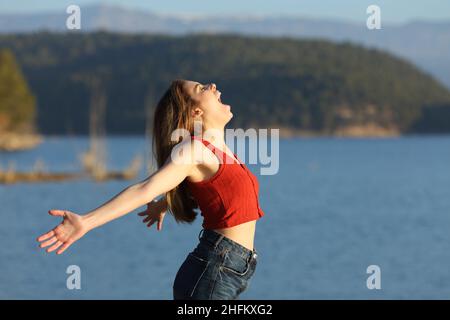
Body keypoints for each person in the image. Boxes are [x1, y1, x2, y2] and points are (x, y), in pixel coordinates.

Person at [36, 79, 265, 300]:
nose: (212, 85)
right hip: (215, 271)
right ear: (195, 112)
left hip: (231, 270)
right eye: (201, 88)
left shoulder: (219, 149)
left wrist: (166, 202)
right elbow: (145, 188)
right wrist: (86, 221)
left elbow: (211, 189)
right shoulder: (194, 149)